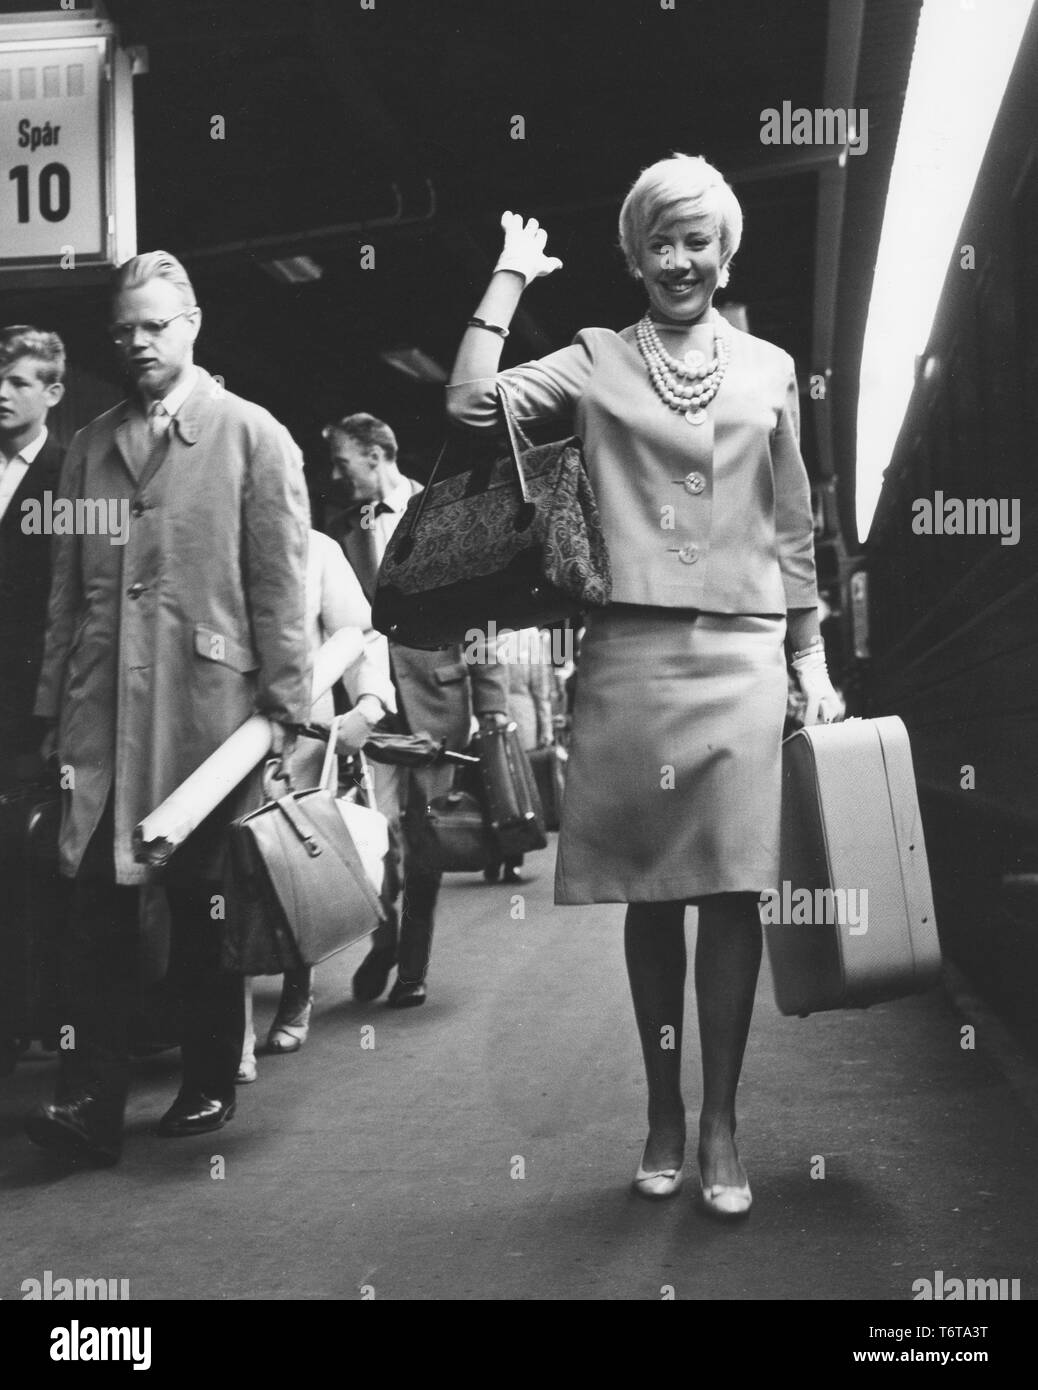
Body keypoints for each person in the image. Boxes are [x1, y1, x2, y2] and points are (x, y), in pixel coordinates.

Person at [446, 155, 843, 1218]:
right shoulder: (592, 362)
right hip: (629, 656)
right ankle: (662, 1109)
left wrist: (811, 661)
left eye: (698, 238)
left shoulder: (768, 368)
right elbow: (471, 404)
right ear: (633, 254)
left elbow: (793, 528)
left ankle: (719, 1120)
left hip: (745, 654)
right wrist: (510, 276)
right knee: (652, 892)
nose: (680, 258)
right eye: (660, 240)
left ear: (726, 251)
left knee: (730, 885)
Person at [26, 251, 311, 1165]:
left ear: (192, 324)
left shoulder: (253, 436)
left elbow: (279, 582)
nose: (137, 342)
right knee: (93, 919)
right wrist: (50, 706)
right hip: (99, 719)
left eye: (154, 324)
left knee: (201, 910)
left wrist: (288, 708)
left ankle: (206, 1078)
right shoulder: (87, 451)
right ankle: (91, 1108)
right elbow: (68, 593)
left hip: (207, 718)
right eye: (123, 329)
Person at [323, 413, 510, 1007]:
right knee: (377, 840)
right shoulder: (339, 531)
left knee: (425, 839)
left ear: (377, 456)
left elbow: (480, 610)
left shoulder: (444, 515)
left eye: (341, 461)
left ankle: (411, 966)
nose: (334, 475)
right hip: (372, 707)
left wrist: (494, 703)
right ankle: (383, 935)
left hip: (439, 699)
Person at [237, 526, 395, 1081]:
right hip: (223, 736)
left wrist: (368, 707)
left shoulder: (318, 549)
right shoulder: (211, 534)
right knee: (228, 881)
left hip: (304, 740)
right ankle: (234, 1037)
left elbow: (362, 633)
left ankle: (296, 995)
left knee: (289, 872)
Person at [0, 327, 66, 789]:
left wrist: (56, 712)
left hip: (23, 708)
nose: (1, 393)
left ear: (53, 393)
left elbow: (79, 600)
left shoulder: (70, 477)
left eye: (19, 383)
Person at [484, 628, 554, 884]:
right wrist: (545, 726)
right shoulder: (530, 634)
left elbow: (540, 684)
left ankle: (501, 858)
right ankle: (510, 860)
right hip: (518, 719)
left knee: (497, 789)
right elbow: (541, 686)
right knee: (513, 792)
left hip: (497, 716)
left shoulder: (489, 624)